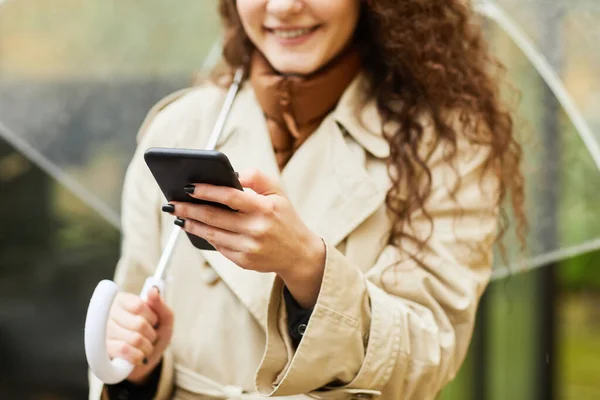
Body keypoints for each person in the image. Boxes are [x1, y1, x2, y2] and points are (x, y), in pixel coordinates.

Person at [89, 0, 526, 399]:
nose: (283, 7)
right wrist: (137, 366)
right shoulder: (179, 128)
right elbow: (132, 317)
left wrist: (307, 267)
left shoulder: (444, 146)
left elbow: (429, 354)